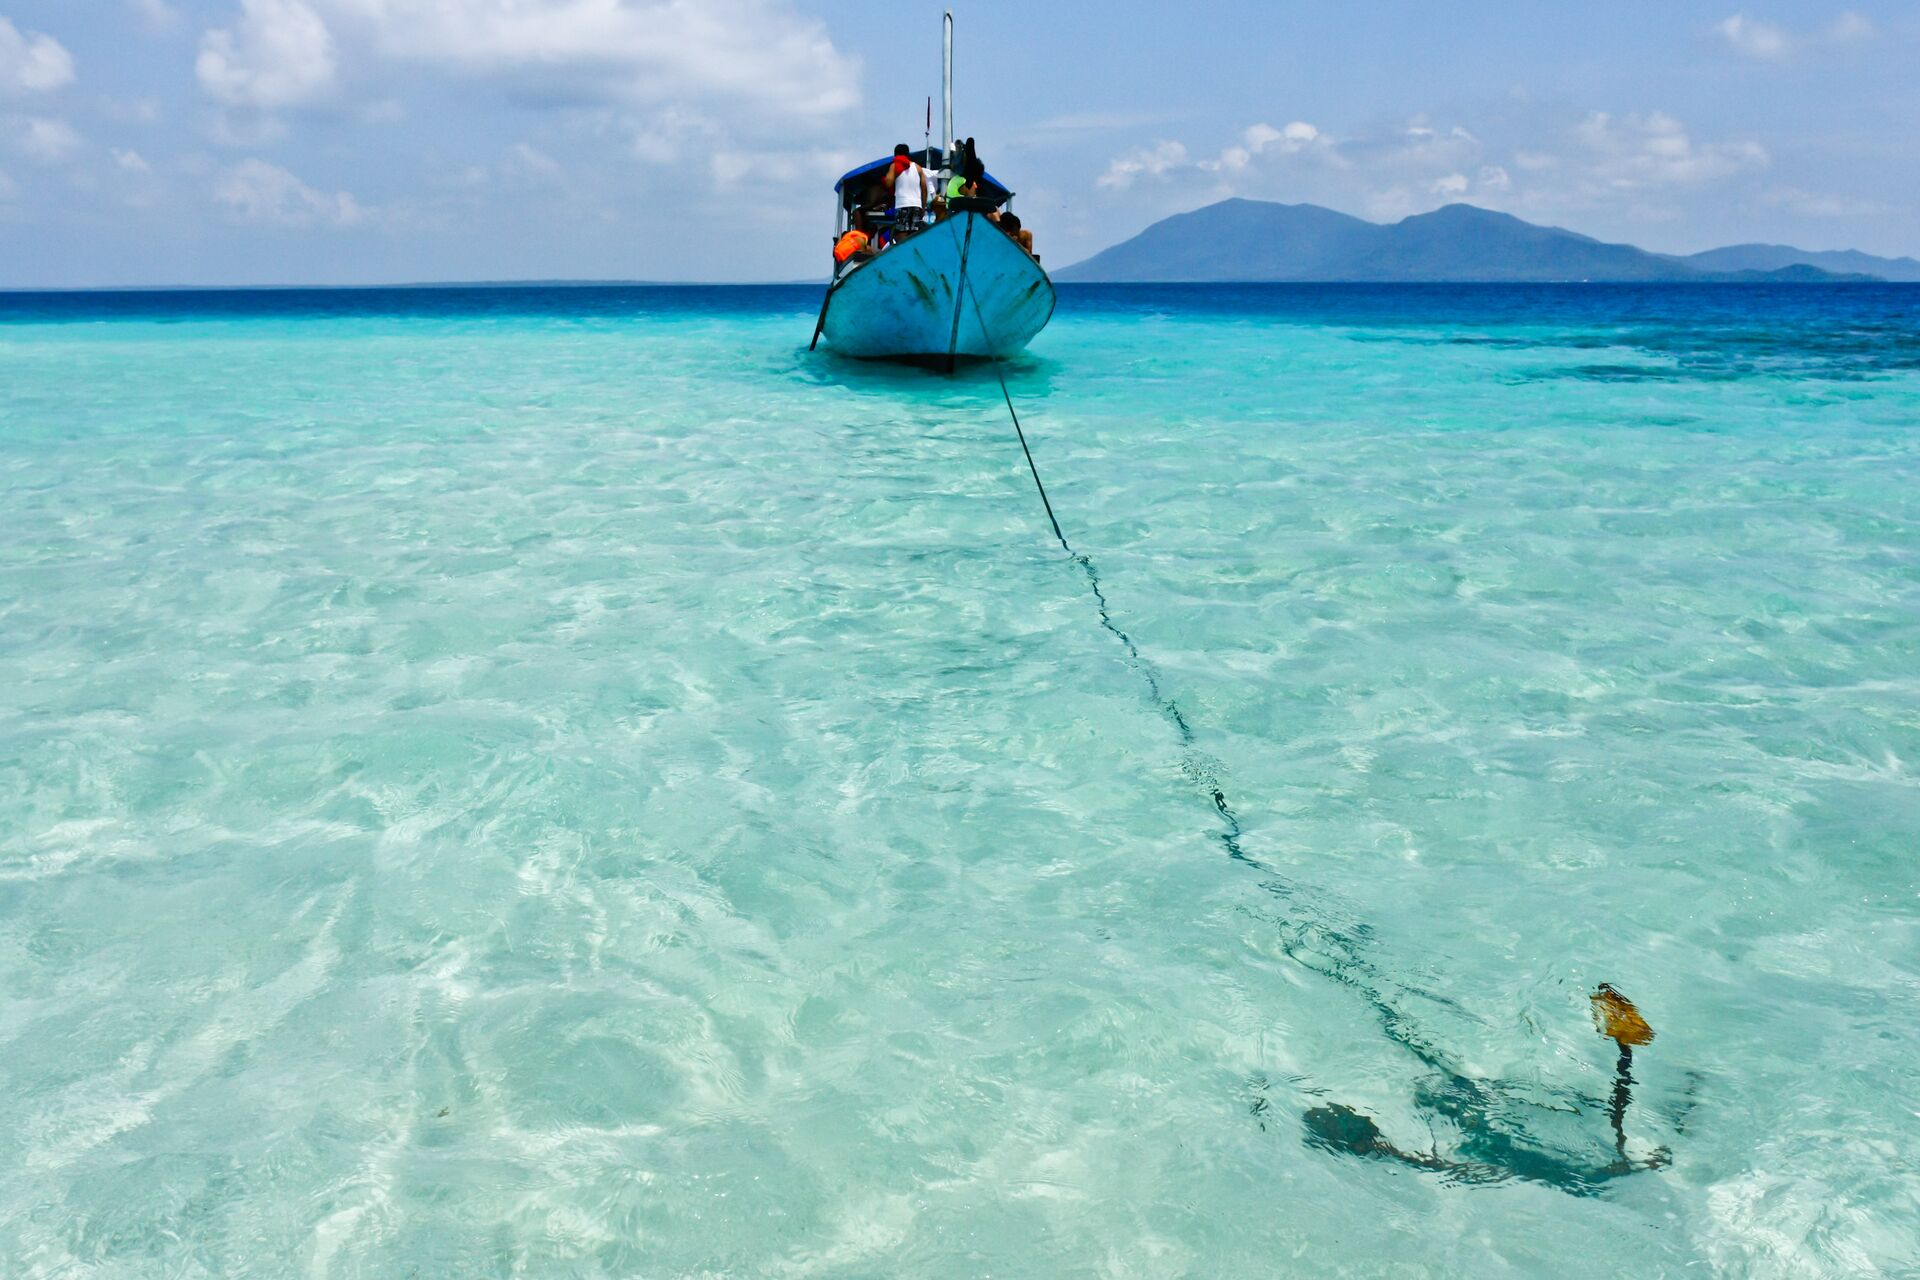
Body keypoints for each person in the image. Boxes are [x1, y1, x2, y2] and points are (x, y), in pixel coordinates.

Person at [889, 142, 928, 236]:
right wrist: (922, 208)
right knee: (914, 237)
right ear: (908, 154)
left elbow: (888, 183)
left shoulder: (895, 166)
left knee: (901, 236)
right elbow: (924, 190)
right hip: (916, 205)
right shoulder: (918, 168)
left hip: (902, 205)